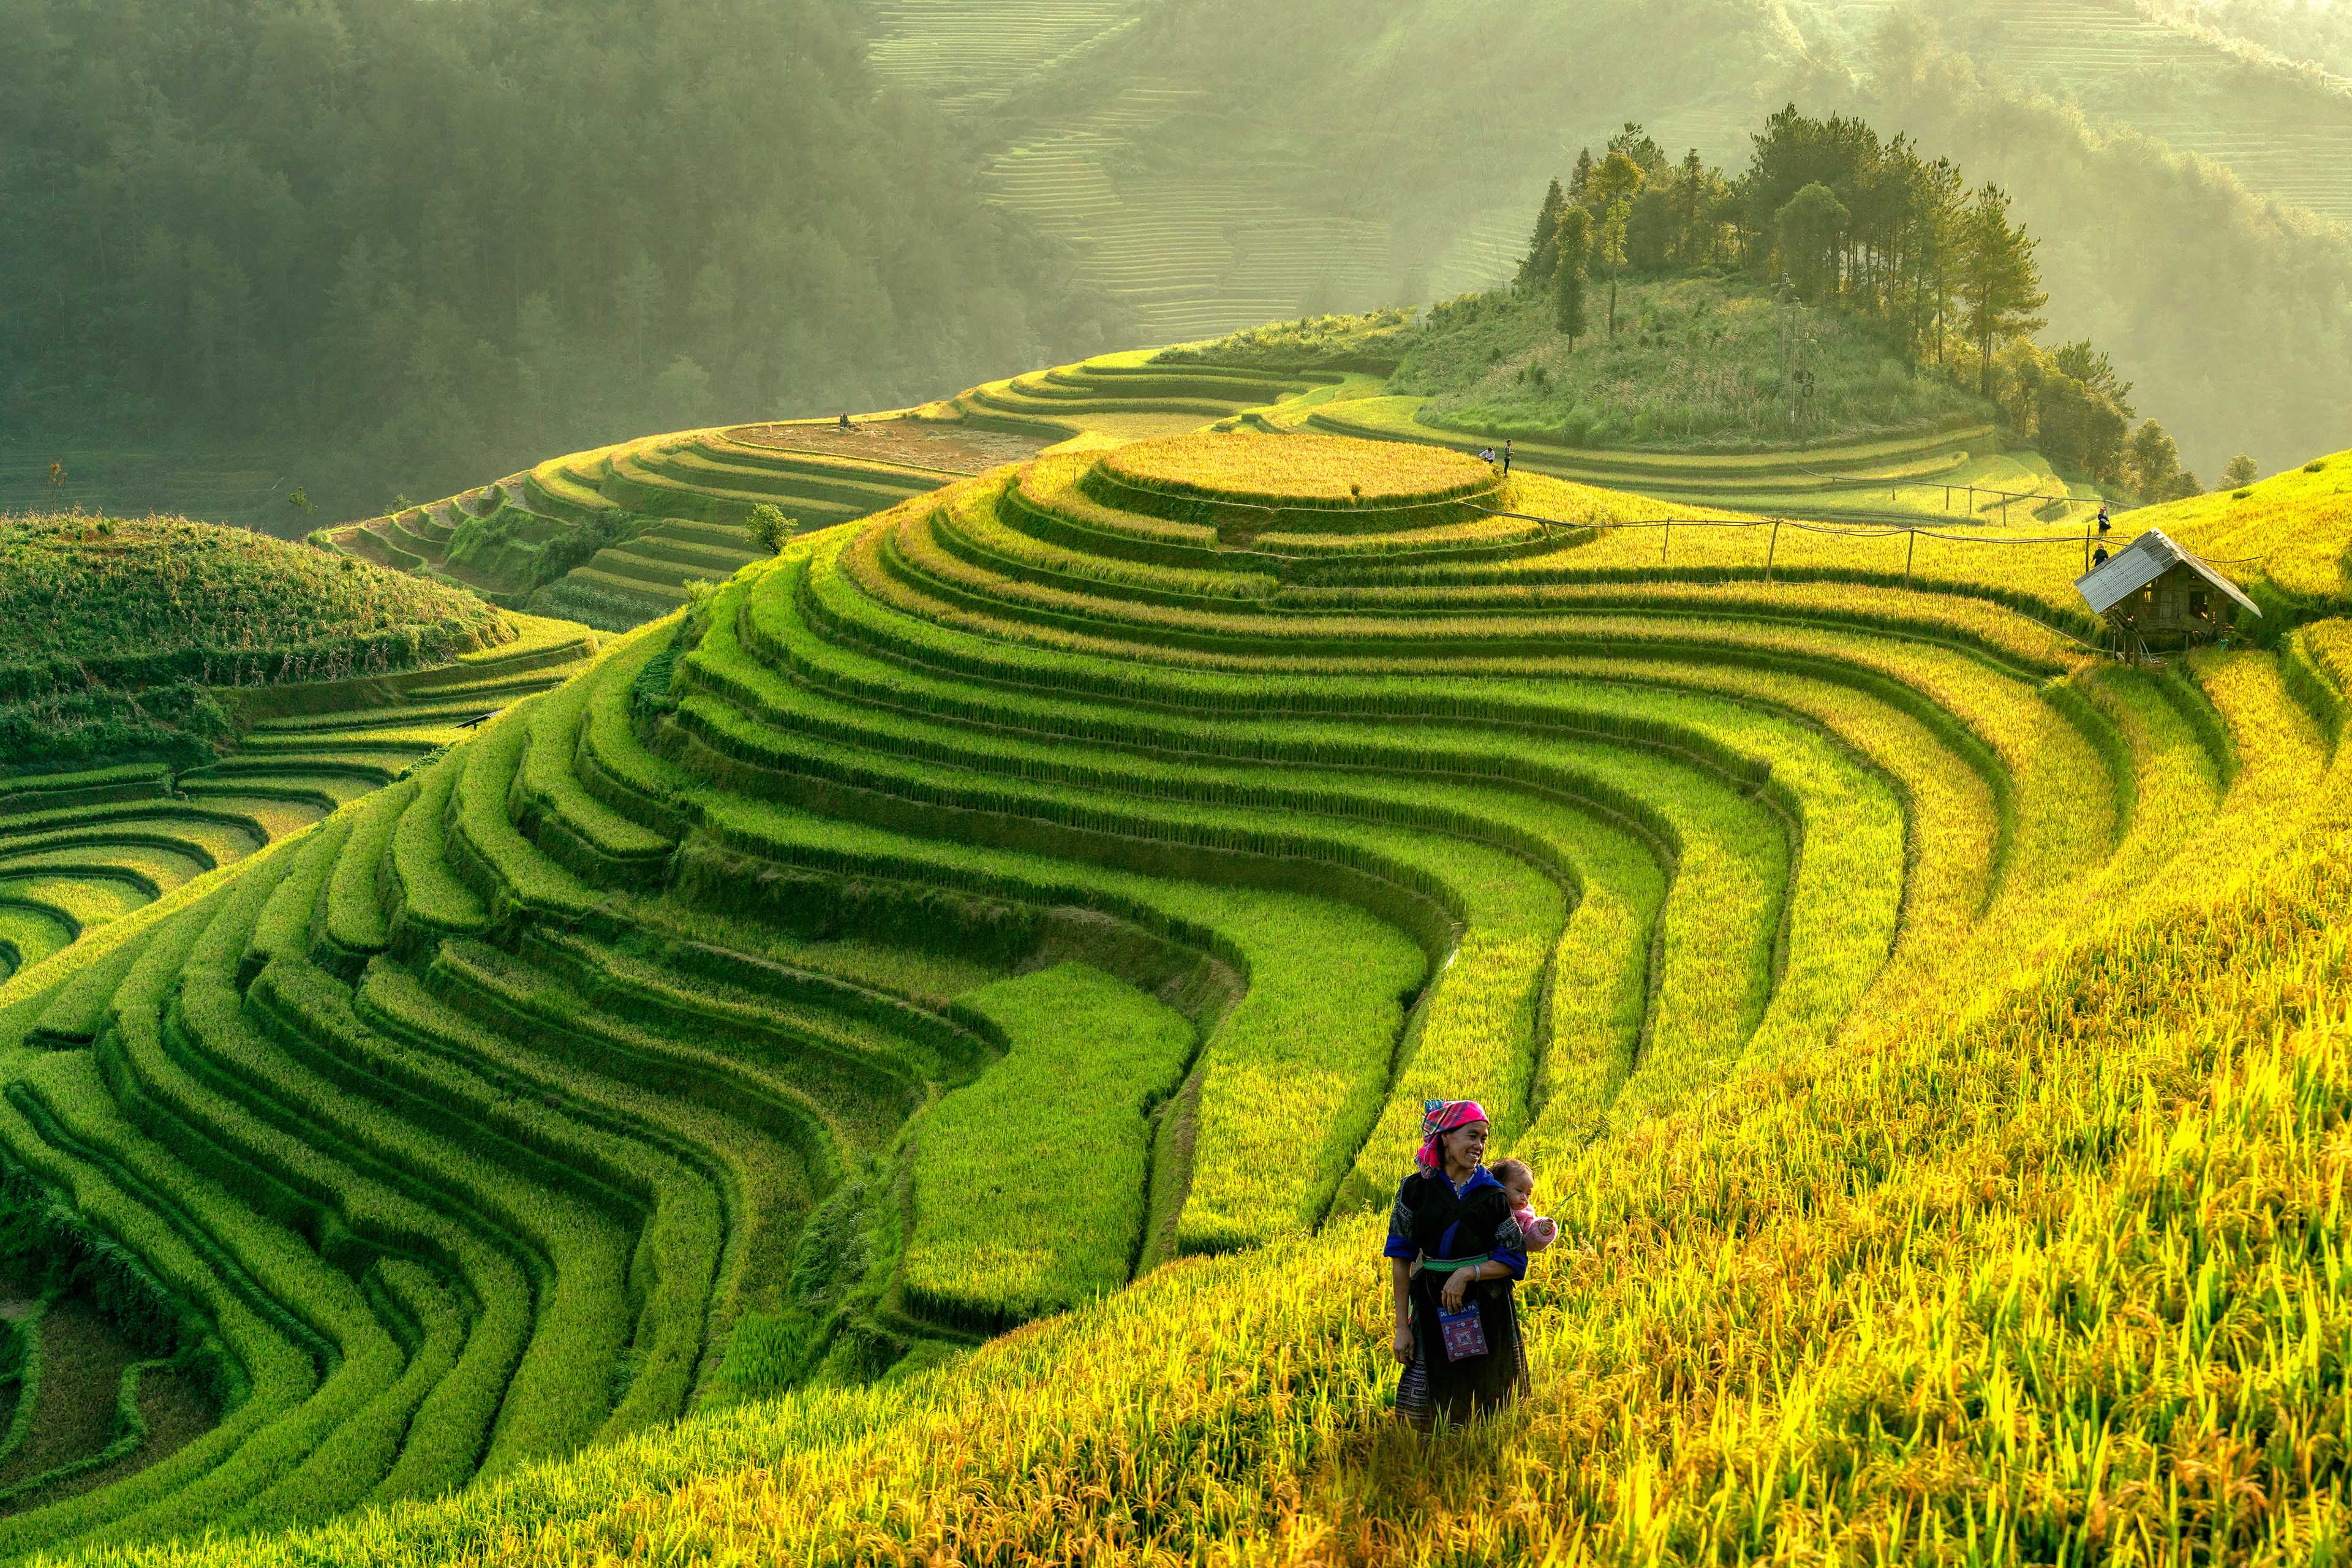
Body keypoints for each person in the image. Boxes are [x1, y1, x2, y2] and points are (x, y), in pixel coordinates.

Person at [1384, 1099, 1529, 1430]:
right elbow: (1400, 1261)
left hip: (1488, 1303)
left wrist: (1468, 1273)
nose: (1479, 1146)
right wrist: (1402, 1328)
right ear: (1446, 1138)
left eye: (1484, 1139)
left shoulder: (1492, 1195)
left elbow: (1513, 1256)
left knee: (1492, 1397)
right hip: (1433, 1305)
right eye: (1472, 1136)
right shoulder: (1414, 1191)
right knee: (1434, 1406)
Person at [1488, 1158, 1557, 1253]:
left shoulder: (1525, 1215)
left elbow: (1528, 1243)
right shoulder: (1489, 1205)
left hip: (1508, 1258)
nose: (1524, 1197)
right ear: (1499, 1185)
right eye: (1519, 1191)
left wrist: (1540, 1230)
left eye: (1528, 1194)